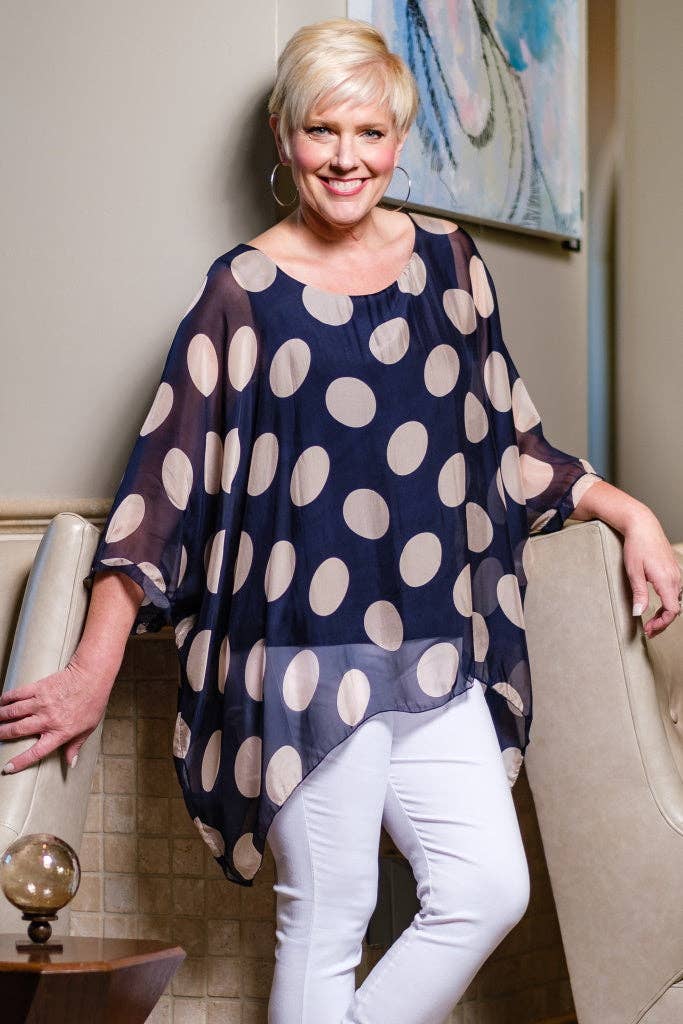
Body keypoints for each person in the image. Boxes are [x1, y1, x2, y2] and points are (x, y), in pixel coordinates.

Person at [1, 15, 681, 1024]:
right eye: (322, 130)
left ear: (399, 141)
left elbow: (508, 441)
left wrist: (631, 513)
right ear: (284, 139)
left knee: (488, 886)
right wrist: (90, 672)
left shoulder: (451, 264)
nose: (345, 157)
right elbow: (161, 494)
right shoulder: (240, 294)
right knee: (330, 914)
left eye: (369, 133)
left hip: (432, 645)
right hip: (302, 656)